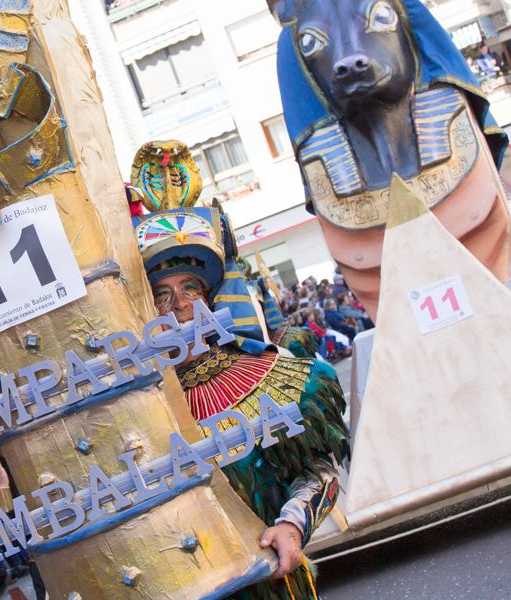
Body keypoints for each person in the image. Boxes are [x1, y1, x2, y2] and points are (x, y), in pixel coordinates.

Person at [129, 141, 350, 599]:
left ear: (210, 297)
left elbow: (321, 473)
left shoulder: (273, 374)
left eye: (190, 288)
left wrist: (292, 526)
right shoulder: (138, 408)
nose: (180, 306)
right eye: (162, 295)